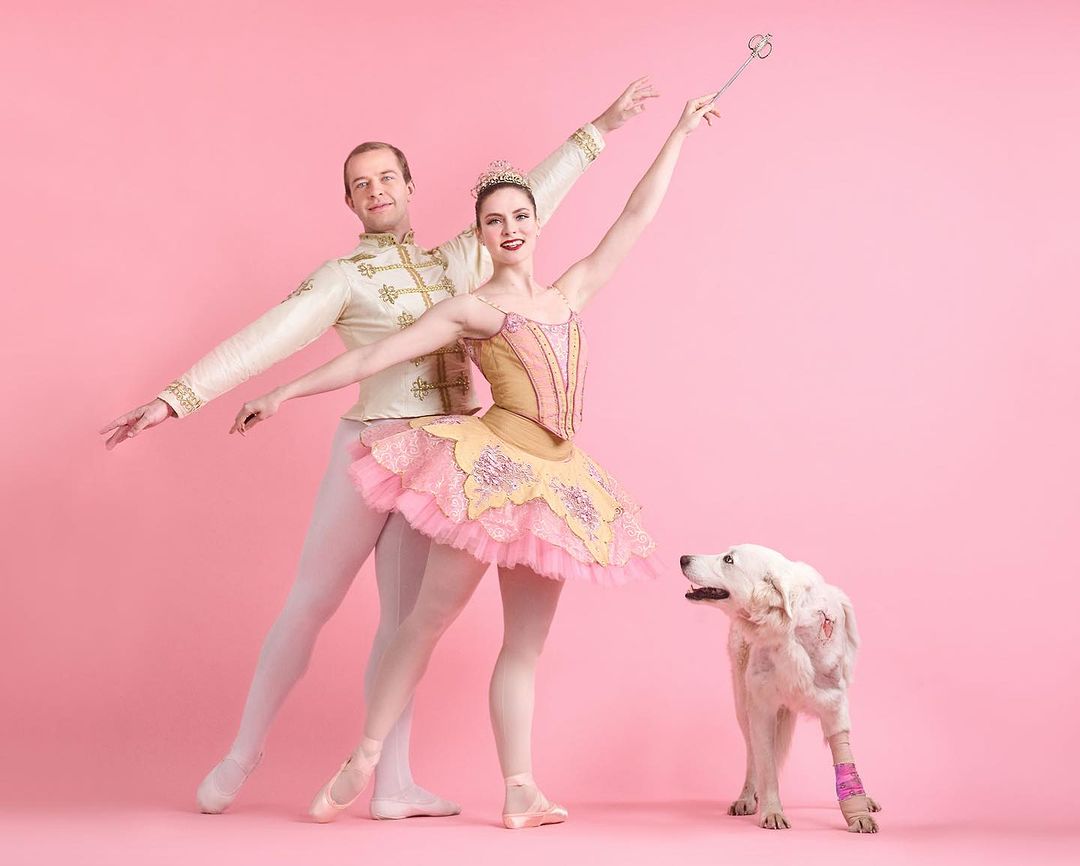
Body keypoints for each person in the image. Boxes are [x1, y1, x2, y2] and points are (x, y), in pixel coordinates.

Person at [99, 78, 658, 817]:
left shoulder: (458, 261)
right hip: (372, 449)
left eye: (386, 176)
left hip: (452, 462)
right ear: (350, 202)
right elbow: (273, 333)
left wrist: (605, 126)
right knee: (312, 602)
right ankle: (242, 754)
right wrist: (179, 396)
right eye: (360, 184)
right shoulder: (345, 276)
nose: (376, 190)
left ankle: (392, 785)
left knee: (407, 623)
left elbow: (530, 203)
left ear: (409, 185)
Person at [231, 93, 721, 828]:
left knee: (524, 646)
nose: (511, 228)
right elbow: (373, 353)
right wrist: (284, 391)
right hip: (491, 475)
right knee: (427, 620)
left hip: (557, 485)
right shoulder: (473, 310)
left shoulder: (570, 291)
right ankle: (364, 758)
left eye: (521, 215)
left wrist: (678, 131)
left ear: (535, 221)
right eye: (496, 221)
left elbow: (634, 217)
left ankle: (519, 787)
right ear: (483, 237)